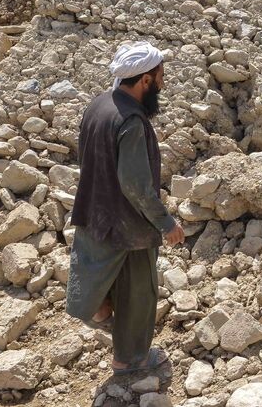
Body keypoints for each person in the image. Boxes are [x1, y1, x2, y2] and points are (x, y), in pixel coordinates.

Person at [67, 41, 185, 375]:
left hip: (95, 212)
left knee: (99, 275)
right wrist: (165, 222)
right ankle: (129, 360)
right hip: (128, 225)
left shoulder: (99, 105)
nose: (163, 83)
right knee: (137, 293)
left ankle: (101, 314)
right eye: (160, 77)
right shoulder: (132, 123)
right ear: (145, 80)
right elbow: (135, 185)